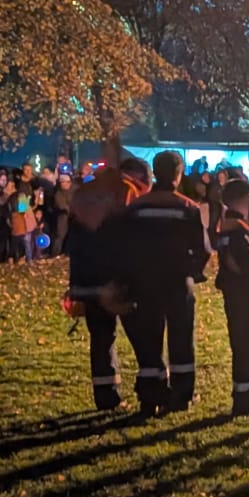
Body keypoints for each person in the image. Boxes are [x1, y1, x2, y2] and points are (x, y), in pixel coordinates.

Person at [115, 150, 210, 417]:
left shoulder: (136, 207)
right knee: (181, 339)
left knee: (149, 339)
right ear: (178, 175)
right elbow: (203, 249)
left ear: (155, 173)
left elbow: (123, 245)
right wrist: (193, 271)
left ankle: (151, 393)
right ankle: (181, 395)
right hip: (178, 280)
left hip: (143, 280)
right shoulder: (187, 207)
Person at [64, 158, 145, 412]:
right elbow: (130, 237)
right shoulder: (127, 191)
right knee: (142, 335)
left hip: (87, 279)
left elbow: (73, 240)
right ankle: (152, 389)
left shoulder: (85, 192)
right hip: (118, 280)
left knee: (100, 339)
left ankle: (106, 397)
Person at [212, 177, 249, 416]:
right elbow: (238, 261)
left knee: (242, 341)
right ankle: (248, 398)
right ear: (242, 201)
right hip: (242, 291)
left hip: (234, 291)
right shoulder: (237, 230)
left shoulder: (227, 226)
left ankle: (243, 395)